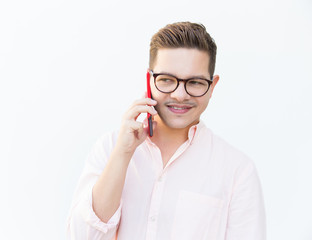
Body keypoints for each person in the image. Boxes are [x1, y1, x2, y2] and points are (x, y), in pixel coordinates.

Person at [67, 22, 266, 239]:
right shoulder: (110, 149)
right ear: (149, 80)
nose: (180, 95)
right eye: (167, 80)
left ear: (212, 86)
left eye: (195, 82)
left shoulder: (237, 171)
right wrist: (122, 155)